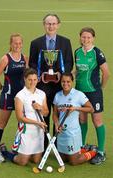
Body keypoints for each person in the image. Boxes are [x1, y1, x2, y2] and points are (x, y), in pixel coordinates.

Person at [29, 13, 73, 149]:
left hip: (60, 85)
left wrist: (62, 74)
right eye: (48, 23)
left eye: (53, 23)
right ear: (44, 25)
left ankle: (58, 146)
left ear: (58, 25)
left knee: (59, 115)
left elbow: (69, 62)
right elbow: (32, 63)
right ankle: (44, 146)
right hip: (43, 85)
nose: (51, 26)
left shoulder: (65, 42)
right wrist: (40, 74)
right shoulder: (36, 43)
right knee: (44, 114)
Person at [0, 33, 28, 163]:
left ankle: (18, 148)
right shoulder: (6, 59)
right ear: (10, 44)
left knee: (21, 123)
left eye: (19, 43)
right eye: (15, 43)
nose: (17, 45)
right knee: (2, 123)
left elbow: (28, 76)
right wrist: (3, 88)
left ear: (22, 44)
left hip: (21, 97)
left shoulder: (24, 58)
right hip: (8, 96)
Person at [74, 27, 109, 165]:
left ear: (93, 38)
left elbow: (106, 73)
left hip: (93, 93)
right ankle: (82, 147)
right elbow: (77, 70)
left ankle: (100, 152)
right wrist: (70, 75)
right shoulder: (77, 51)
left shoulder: (97, 53)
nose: (86, 40)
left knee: (97, 121)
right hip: (79, 92)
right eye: (83, 37)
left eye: (88, 37)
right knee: (82, 120)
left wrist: (100, 88)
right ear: (80, 37)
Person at [0, 68, 49, 166]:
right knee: (23, 162)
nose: (32, 82)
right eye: (30, 79)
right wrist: (38, 123)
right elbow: (20, 118)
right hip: (26, 131)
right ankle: (5, 152)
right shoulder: (20, 95)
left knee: (36, 161)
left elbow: (46, 113)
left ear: (38, 79)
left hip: (39, 132)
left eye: (35, 79)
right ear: (25, 79)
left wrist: (40, 108)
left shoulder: (42, 94)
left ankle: (24, 152)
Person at [53, 73, 96, 165]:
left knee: (73, 161)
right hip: (61, 133)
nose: (65, 84)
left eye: (68, 81)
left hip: (72, 133)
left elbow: (91, 109)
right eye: (63, 82)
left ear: (72, 82)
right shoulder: (57, 95)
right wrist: (56, 124)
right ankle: (83, 149)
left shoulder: (78, 94)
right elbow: (55, 114)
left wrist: (76, 108)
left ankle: (93, 151)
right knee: (63, 159)